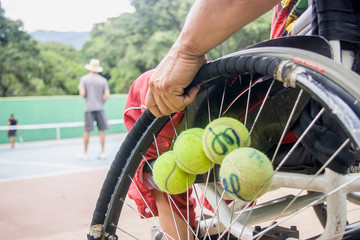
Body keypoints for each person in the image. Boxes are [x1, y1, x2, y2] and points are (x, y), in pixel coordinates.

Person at [128, 0, 319, 239]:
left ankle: (179, 233)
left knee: (146, 91)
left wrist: (185, 51)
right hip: (334, 108)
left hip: (305, 94)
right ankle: (226, 204)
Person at [78, 59, 110, 160]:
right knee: (101, 130)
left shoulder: (84, 79)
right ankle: (102, 152)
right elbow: (107, 95)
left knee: (87, 131)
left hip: (89, 108)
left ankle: (85, 153)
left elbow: (82, 93)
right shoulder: (103, 80)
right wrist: (102, 102)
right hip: (100, 108)